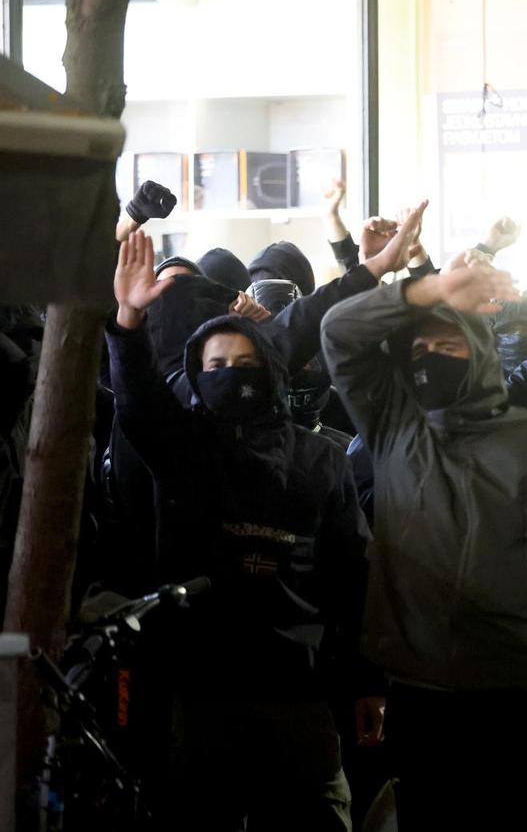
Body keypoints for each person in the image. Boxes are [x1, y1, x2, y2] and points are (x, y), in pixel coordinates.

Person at [320, 201, 527, 831]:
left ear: (481, 353)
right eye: (420, 348)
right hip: (421, 698)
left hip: (517, 700)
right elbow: (337, 330)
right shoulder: (394, 428)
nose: (432, 357)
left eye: (448, 345)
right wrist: (431, 288)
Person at [106, 231, 374, 831]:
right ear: (196, 377)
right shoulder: (182, 450)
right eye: (217, 367)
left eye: (247, 366)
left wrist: (364, 681)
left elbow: (353, 579)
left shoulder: (319, 459)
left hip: (297, 688)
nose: (233, 376)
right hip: (202, 691)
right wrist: (127, 319)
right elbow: (138, 399)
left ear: (271, 374)